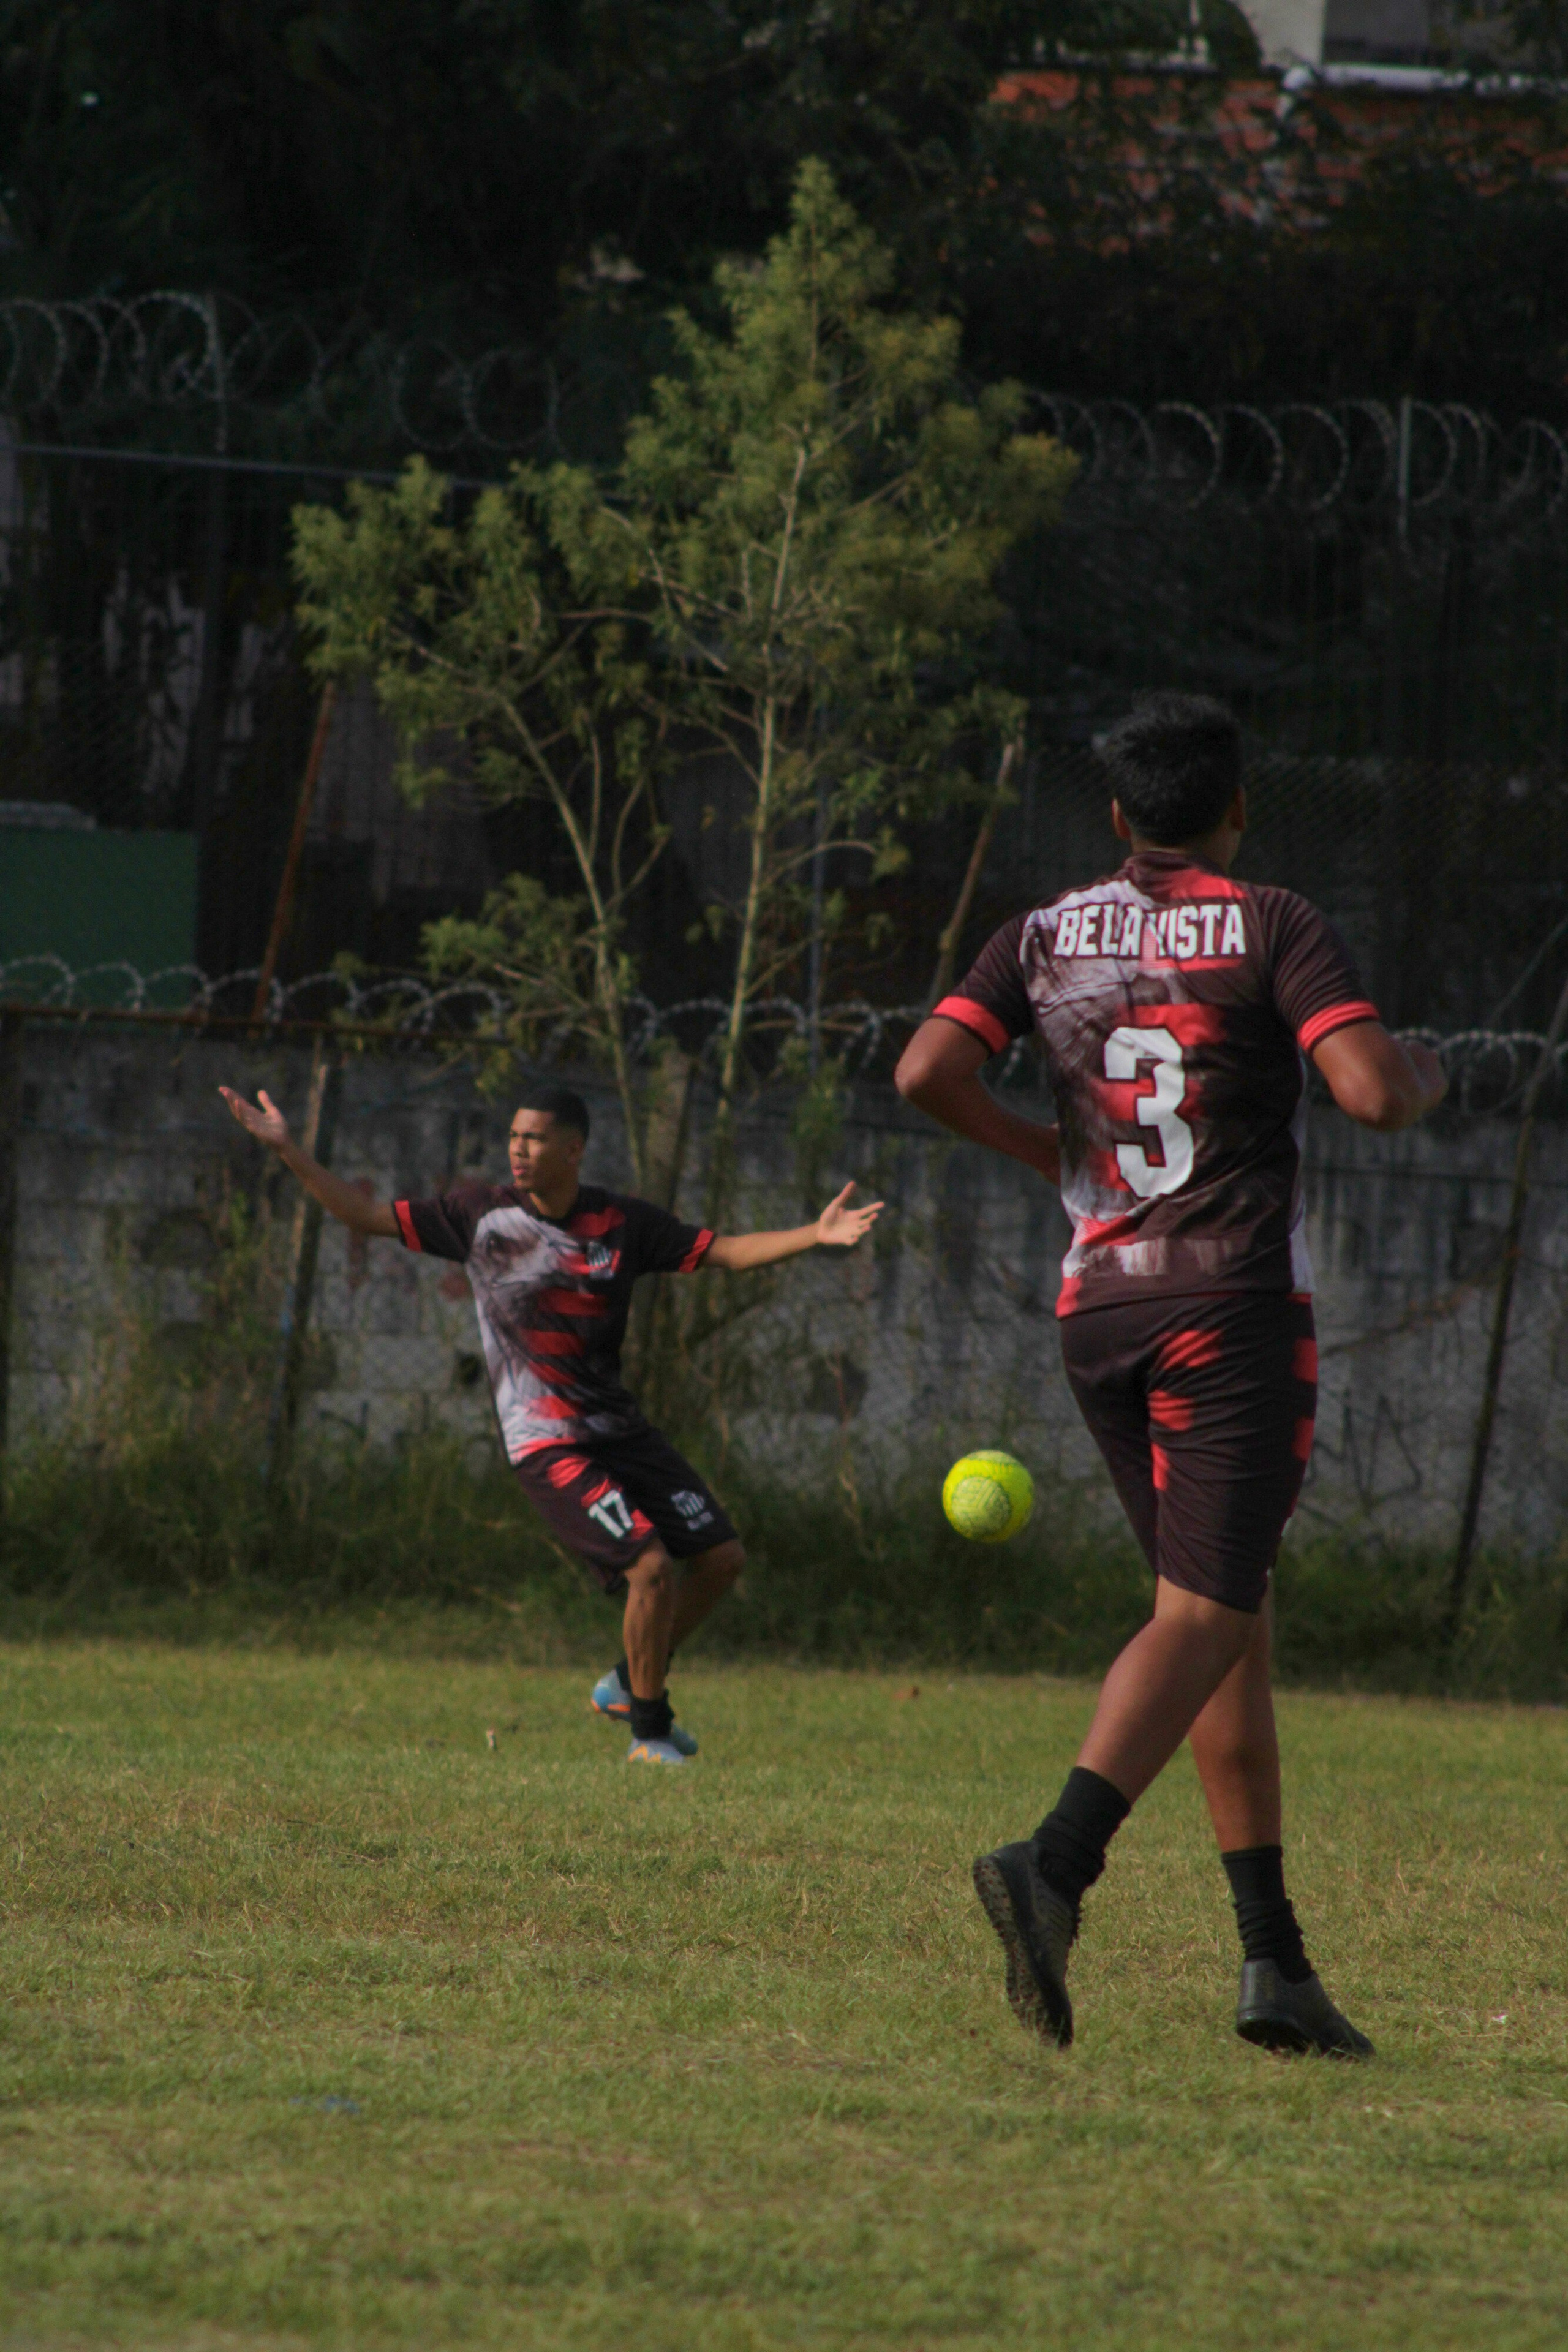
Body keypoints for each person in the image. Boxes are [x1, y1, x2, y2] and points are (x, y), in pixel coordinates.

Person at [895, 693, 1446, 2058]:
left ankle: (1274, 1967)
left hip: (1098, 1313)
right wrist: (1424, 1071)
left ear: (1115, 817)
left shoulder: (1042, 933)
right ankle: (1054, 1866)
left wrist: (1041, 1153)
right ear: (1237, 807)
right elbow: (1370, 1090)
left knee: (1221, 1620)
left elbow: (924, 1070)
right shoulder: (1269, 921)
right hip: (1228, 1308)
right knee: (1202, 1619)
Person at [219, 1077, 881, 1763]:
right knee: (650, 1568)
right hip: (547, 1441)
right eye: (513, 1137)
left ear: (573, 1149)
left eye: (533, 1139)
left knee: (720, 1559)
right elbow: (363, 1215)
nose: (518, 1150)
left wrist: (816, 1233)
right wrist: (288, 1148)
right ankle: (649, 1736)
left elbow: (726, 1252)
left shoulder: (623, 1224)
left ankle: (629, 1682)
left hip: (620, 1431)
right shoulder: (479, 1216)